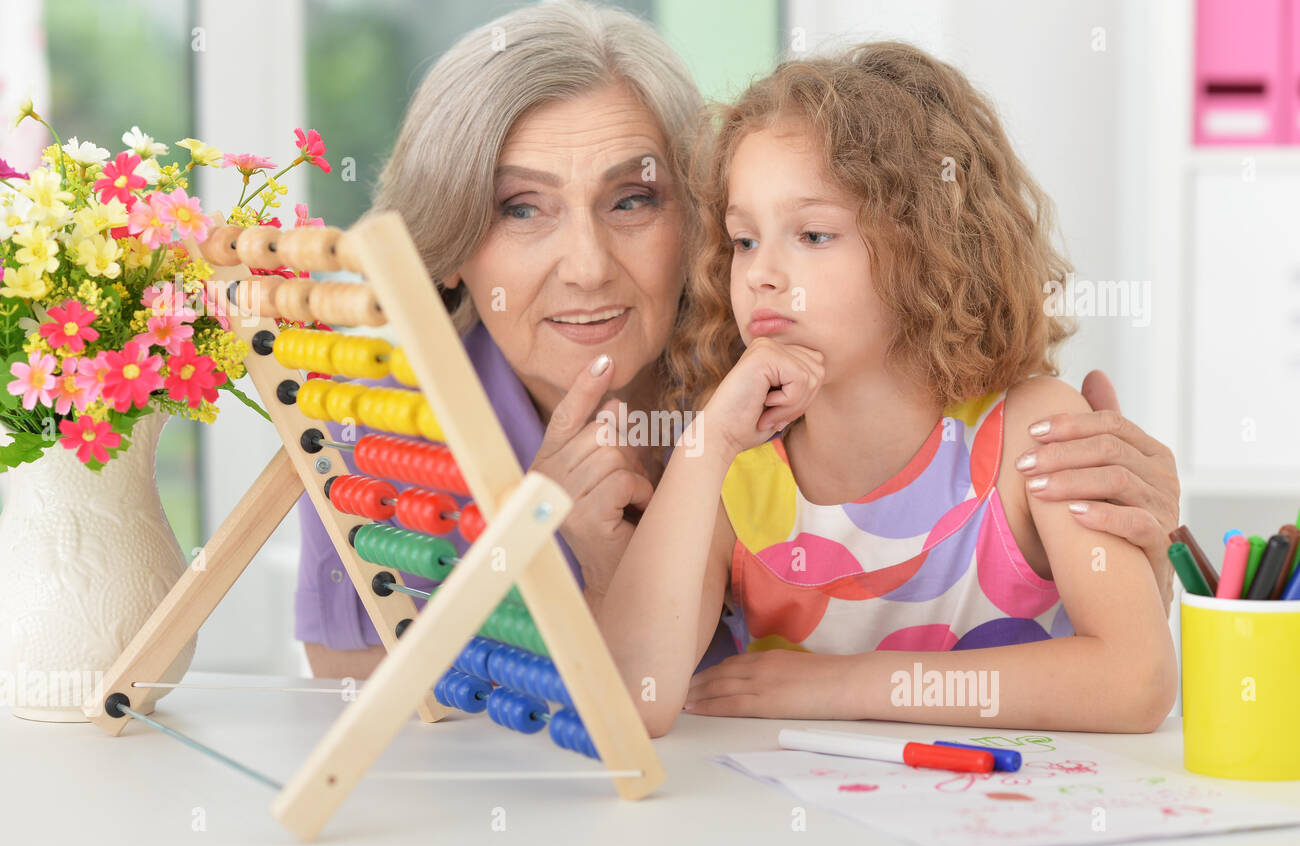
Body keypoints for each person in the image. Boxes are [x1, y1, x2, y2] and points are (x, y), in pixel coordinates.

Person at [297, 2, 1181, 693]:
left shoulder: (763, 389)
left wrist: (1129, 546)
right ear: (449, 241)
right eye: (520, 207)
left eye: (633, 201)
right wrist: (548, 562)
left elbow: (1098, 649)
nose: (586, 266)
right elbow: (365, 690)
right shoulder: (371, 419)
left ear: (697, 216)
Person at [598, 41, 1178, 737]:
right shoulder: (734, 473)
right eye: (745, 240)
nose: (760, 274)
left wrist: (844, 684)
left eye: (813, 234)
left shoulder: (1033, 431)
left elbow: (1136, 679)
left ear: (932, 249)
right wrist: (706, 443)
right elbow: (631, 697)